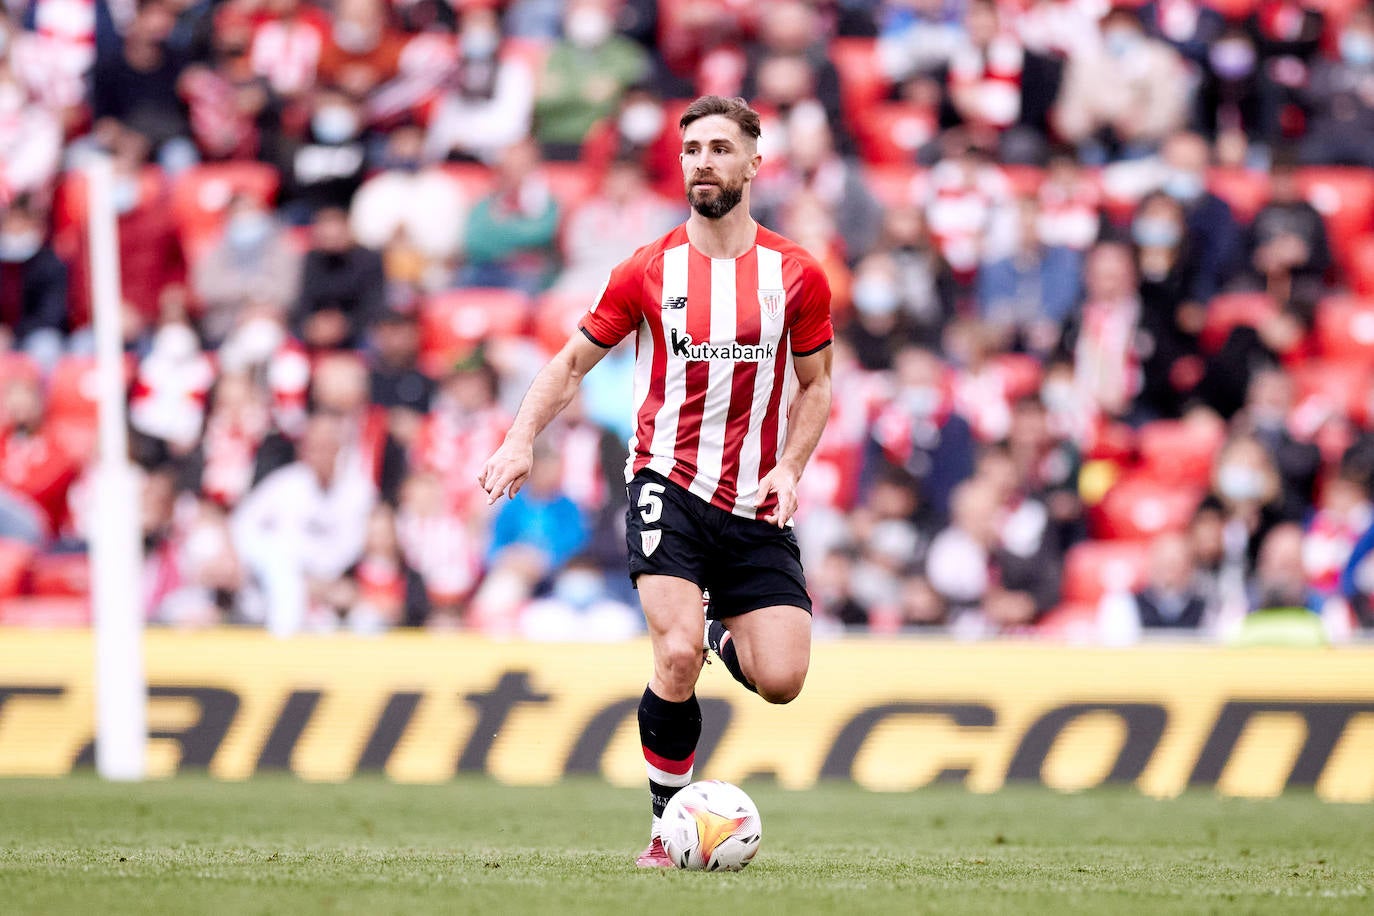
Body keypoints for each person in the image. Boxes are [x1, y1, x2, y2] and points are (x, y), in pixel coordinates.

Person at [479, 96, 833, 868]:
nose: (702, 161)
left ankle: (716, 632)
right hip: (665, 484)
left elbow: (817, 385)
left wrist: (790, 467)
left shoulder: (796, 275)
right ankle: (665, 831)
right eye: (691, 150)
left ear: (753, 163)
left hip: (754, 503)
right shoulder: (648, 268)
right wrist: (518, 440)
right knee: (673, 658)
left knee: (782, 680)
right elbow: (571, 362)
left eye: (718, 148)